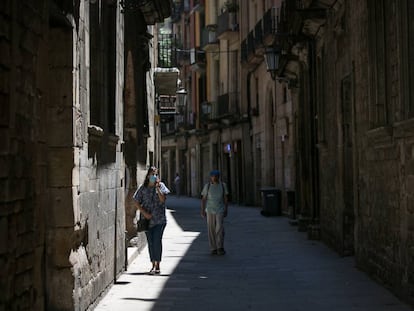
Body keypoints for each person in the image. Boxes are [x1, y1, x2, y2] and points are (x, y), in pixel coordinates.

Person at [133, 166, 170, 274]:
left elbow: (163, 200)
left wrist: (157, 188)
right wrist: (144, 213)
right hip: (147, 220)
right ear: (148, 175)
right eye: (152, 174)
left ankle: (157, 264)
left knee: (157, 241)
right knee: (150, 242)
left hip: (160, 220)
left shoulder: (161, 186)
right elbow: (136, 201)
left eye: (156, 174)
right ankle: (153, 263)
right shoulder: (143, 188)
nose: (154, 176)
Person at [200, 170, 229, 255]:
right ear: (211, 177)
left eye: (216, 176)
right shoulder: (207, 186)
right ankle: (213, 248)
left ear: (219, 177)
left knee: (219, 227)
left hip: (220, 209)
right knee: (211, 229)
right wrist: (202, 210)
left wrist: (226, 209)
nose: (215, 178)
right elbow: (203, 199)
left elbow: (225, 198)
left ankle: (220, 247)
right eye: (213, 176)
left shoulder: (223, 186)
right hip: (209, 210)